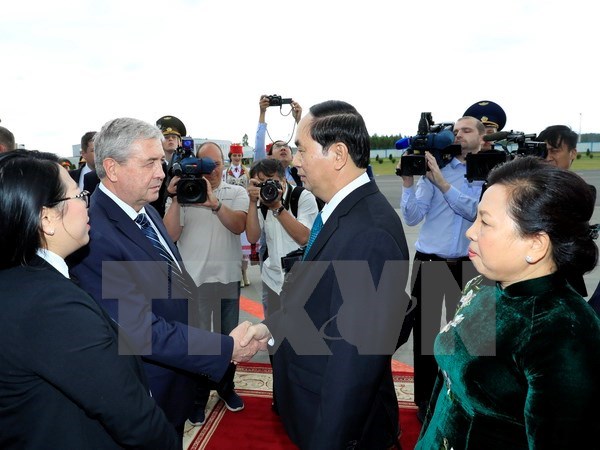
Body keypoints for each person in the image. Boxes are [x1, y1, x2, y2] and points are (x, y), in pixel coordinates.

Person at [68, 118, 261, 433]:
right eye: (149, 163)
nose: (162, 172)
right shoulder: (96, 235)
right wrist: (224, 347)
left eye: (160, 161)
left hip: (176, 374)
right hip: (147, 389)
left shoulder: (144, 211)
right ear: (112, 168)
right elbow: (140, 330)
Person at [242, 100, 414, 449]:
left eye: (302, 151)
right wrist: (269, 327)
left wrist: (327, 440)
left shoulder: (370, 232)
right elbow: (318, 302)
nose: (296, 162)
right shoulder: (341, 213)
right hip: (312, 399)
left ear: (337, 155)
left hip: (338, 423)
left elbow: (354, 362)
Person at [416, 156, 600, 449]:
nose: (470, 231)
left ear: (535, 244)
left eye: (485, 222)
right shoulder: (484, 285)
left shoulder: (565, 332)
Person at [0, 150, 179, 449]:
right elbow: (129, 413)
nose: (88, 204)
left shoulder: (22, 277)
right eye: (79, 195)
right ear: (47, 218)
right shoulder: (52, 306)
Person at [399, 115, 485, 421]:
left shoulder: (484, 172)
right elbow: (412, 217)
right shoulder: (436, 169)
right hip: (430, 261)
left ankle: (465, 397)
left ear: (481, 136)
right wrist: (409, 184)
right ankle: (424, 400)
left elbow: (475, 212)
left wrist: (443, 184)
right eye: (456, 130)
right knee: (425, 337)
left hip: (469, 264)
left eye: (467, 130)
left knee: (469, 336)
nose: (459, 135)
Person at [163, 141, 249, 426]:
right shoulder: (185, 194)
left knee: (229, 338)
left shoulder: (235, 192)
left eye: (216, 165)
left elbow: (238, 226)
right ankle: (198, 396)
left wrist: (215, 203)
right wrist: (175, 197)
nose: (210, 171)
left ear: (224, 165)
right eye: (204, 165)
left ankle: (226, 387)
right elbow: (169, 235)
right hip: (193, 281)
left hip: (226, 279)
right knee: (199, 343)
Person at [245, 158, 318, 317]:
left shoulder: (302, 197)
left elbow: (304, 237)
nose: (267, 187)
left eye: (272, 181)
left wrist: (277, 206)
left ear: (284, 180)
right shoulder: (260, 201)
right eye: (261, 183)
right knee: (275, 336)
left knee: (302, 335)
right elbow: (252, 237)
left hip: (303, 281)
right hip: (273, 281)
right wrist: (252, 202)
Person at [254, 94, 303, 185]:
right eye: (278, 146)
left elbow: (306, 145)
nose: (283, 148)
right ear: (269, 156)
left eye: (286, 146)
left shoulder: (300, 174)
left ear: (293, 157)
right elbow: (259, 145)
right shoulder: (263, 173)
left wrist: (298, 120)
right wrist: (262, 112)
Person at [225, 143, 252, 286]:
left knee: (244, 246)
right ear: (231, 156)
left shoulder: (247, 172)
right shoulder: (225, 173)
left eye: (239, 155)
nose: (237, 158)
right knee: (233, 245)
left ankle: (245, 272)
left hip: (244, 209)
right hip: (230, 210)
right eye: (234, 155)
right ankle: (237, 274)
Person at [152, 115, 187, 216]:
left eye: (174, 137)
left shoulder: (188, 165)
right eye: (166, 137)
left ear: (180, 141)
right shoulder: (153, 166)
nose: (170, 139)